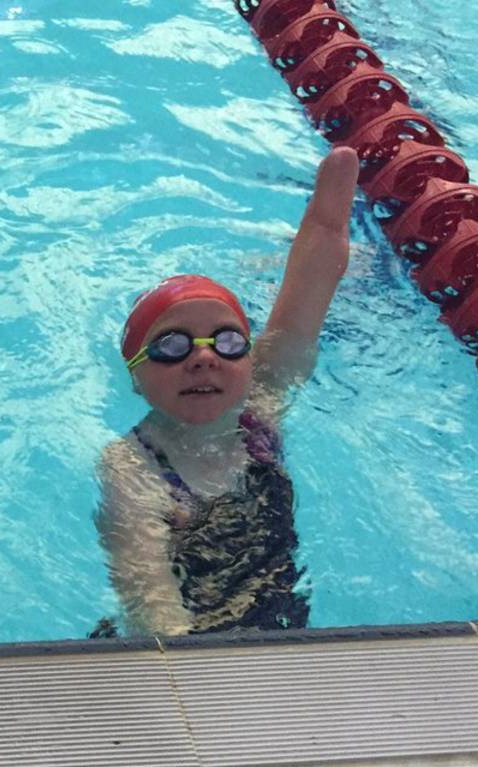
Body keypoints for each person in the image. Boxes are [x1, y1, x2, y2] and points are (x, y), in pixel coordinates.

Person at [96, 146, 360, 638]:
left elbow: (304, 302)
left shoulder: (259, 413)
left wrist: (327, 223)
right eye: (171, 346)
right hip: (179, 643)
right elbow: (145, 587)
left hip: (278, 623)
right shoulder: (132, 465)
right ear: (136, 375)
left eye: (227, 340)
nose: (204, 356)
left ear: (248, 361)